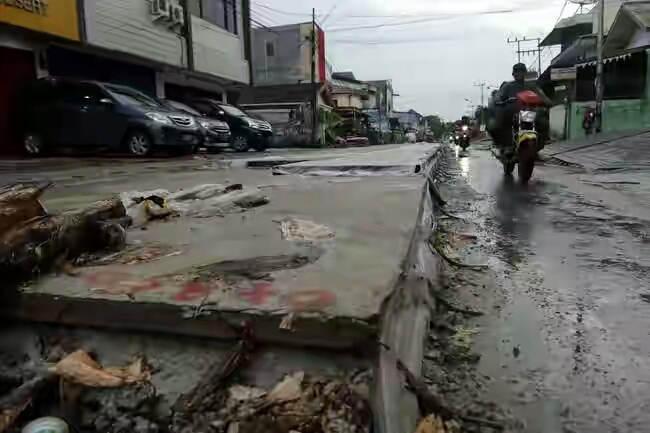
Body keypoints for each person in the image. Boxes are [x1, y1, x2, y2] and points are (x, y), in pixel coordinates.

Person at [488, 63, 551, 156]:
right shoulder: (508, 86)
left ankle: (538, 145)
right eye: (516, 72)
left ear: (525, 73)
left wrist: (545, 101)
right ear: (513, 74)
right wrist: (498, 101)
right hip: (512, 114)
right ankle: (507, 145)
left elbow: (542, 97)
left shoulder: (532, 87)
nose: (519, 74)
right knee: (499, 120)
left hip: (528, 113)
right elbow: (499, 96)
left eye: (521, 71)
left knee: (543, 121)